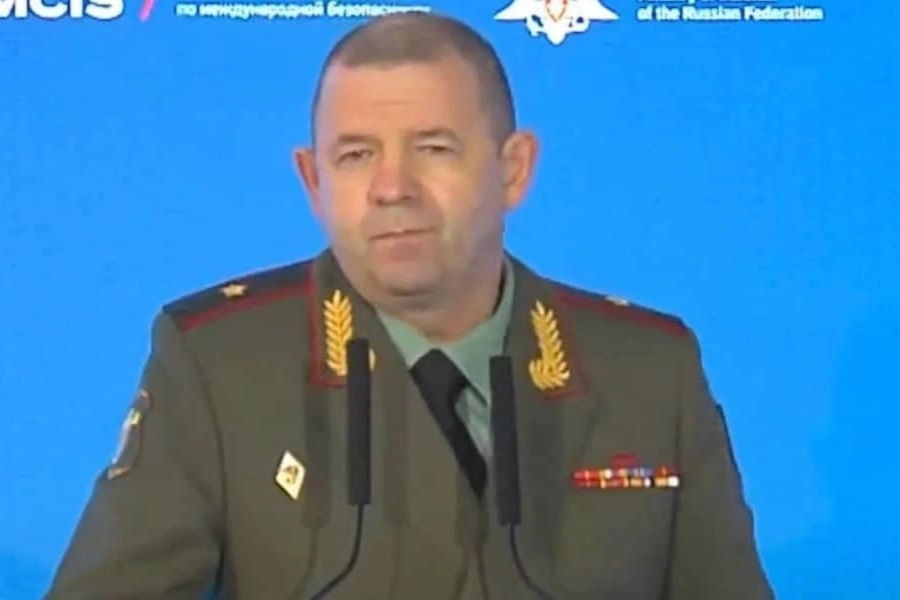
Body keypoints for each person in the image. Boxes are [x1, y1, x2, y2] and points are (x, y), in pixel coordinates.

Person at [45, 12, 774, 600]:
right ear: (312, 180)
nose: (392, 188)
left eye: (432, 148)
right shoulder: (219, 364)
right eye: (356, 155)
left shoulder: (649, 370)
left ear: (514, 169)